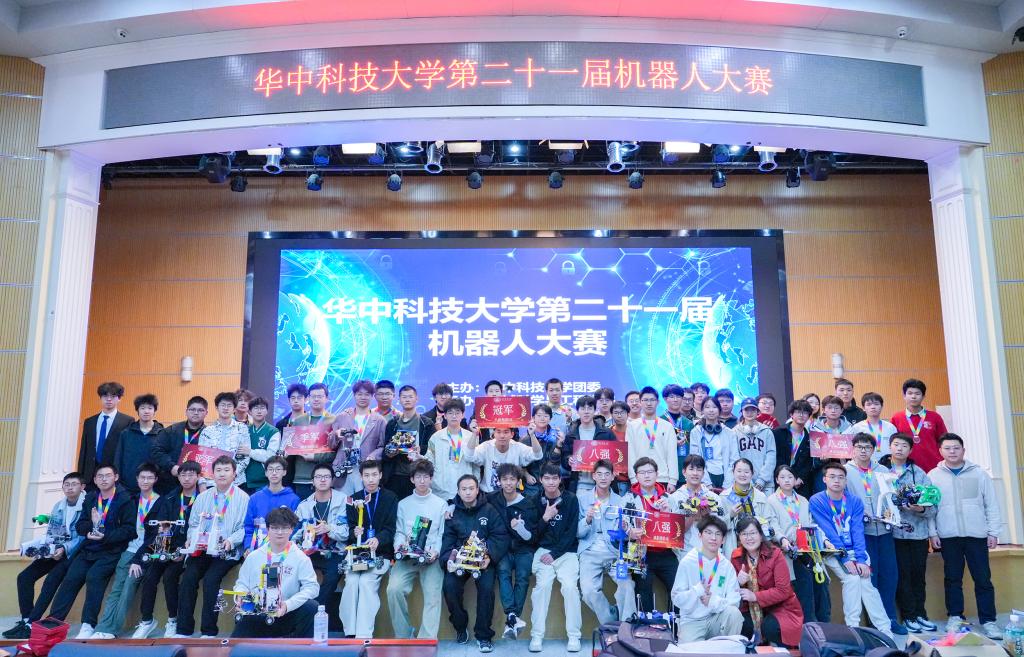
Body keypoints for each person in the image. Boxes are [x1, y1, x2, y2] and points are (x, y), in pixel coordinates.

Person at [929, 433, 1003, 639]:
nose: (952, 451)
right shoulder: (933, 476)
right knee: (952, 579)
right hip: (948, 536)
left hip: (976, 535)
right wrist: (932, 533)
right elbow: (930, 508)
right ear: (940, 451)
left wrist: (993, 531)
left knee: (983, 579)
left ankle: (989, 621)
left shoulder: (979, 474)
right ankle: (955, 617)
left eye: (956, 448)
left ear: (963, 450)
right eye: (947, 448)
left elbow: (991, 504)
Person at [48, 464, 136, 639]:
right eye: (100, 476)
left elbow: (129, 530)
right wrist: (90, 529)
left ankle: (88, 624)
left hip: (111, 550)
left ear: (116, 477)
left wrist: (104, 535)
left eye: (107, 475)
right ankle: (53, 623)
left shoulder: (125, 500)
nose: (104, 479)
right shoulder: (91, 498)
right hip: (89, 548)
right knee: (71, 578)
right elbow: (81, 524)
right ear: (94, 480)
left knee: (94, 577)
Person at [809, 462, 894, 639]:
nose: (836, 481)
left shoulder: (854, 501)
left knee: (867, 584)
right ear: (824, 479)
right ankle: (853, 629)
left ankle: (885, 631)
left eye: (841, 477)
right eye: (832, 477)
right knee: (852, 579)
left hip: (855, 550)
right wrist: (845, 558)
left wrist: (861, 559)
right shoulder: (817, 500)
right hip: (832, 551)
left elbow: (857, 531)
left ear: (846, 481)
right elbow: (829, 532)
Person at [174, 456, 250, 638]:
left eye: (226, 470)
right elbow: (193, 523)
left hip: (227, 551)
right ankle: (183, 630)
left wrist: (231, 541)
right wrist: (192, 539)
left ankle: (209, 631)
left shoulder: (243, 498)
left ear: (234, 474)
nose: (222, 474)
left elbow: (245, 527)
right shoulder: (203, 497)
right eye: (218, 470)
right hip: (203, 549)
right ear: (212, 474)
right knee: (188, 578)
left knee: (211, 580)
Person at [4, 472, 86, 640]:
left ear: (82, 487)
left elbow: (82, 537)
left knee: (50, 581)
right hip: (56, 551)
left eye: (74, 484)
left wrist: (63, 548)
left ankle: (32, 623)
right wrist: (41, 548)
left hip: (73, 554)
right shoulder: (59, 505)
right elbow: (53, 532)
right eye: (66, 485)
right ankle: (26, 619)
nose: (70, 488)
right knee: (24, 577)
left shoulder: (87, 505)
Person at [90, 463, 161, 639]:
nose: (145, 481)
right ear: (137, 479)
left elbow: (155, 537)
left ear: (155, 480)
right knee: (117, 588)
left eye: (149, 478)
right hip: (129, 549)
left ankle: (112, 630)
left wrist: (138, 559)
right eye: (142, 477)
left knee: (129, 585)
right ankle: (102, 627)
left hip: (147, 551)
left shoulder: (162, 502)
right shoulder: (132, 500)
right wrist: (97, 523)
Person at [131, 460, 201, 639]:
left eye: (191, 474)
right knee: (149, 576)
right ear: (178, 477)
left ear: (198, 476)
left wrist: (183, 551)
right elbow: (158, 529)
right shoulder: (169, 498)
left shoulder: (203, 498)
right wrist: (143, 557)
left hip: (188, 549)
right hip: (165, 546)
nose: (186, 478)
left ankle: (172, 620)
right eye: (183, 475)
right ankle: (147, 620)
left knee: (170, 577)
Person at [844, 433, 905, 635]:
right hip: (862, 533)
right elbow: (843, 500)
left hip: (885, 530)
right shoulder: (846, 472)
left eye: (867, 447)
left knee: (889, 576)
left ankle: (890, 618)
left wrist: (891, 511)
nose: (863, 451)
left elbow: (892, 496)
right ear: (853, 449)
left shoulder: (883, 470)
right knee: (870, 577)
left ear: (874, 449)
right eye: (859, 447)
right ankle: (874, 623)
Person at [442, 474, 509, 653]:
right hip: (460, 561)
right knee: (449, 586)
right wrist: (448, 559)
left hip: (482, 561)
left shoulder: (489, 510)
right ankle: (460, 626)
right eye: (464, 489)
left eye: (471, 488)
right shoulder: (453, 513)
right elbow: (447, 539)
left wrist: (489, 556)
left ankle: (484, 636)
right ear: (458, 491)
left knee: (486, 589)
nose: (468, 492)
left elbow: (500, 536)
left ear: (478, 490)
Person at [231, 507, 321, 638]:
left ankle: (301, 647)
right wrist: (240, 596)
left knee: (312, 607)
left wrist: (288, 605)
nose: (279, 532)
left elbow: (312, 588)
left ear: (291, 529)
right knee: (239, 633)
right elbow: (242, 584)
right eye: (275, 528)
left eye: (284, 528)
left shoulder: (301, 558)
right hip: (257, 613)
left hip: (285, 613)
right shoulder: (254, 556)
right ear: (267, 529)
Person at [879, 433, 938, 633]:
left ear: (910, 450)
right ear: (889, 447)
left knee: (918, 576)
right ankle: (908, 616)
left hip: (918, 534)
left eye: (904, 446)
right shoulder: (880, 471)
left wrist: (920, 509)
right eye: (896, 444)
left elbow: (933, 506)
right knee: (902, 576)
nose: (899, 449)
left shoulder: (919, 473)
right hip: (893, 534)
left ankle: (921, 614)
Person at [387, 460, 447, 639]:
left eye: (425, 477)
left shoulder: (440, 504)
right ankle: (403, 635)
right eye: (418, 477)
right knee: (394, 589)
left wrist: (436, 552)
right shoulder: (403, 504)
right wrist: (399, 546)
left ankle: (426, 640)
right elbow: (399, 532)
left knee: (433, 595)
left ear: (431, 479)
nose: (422, 481)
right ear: (412, 479)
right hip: (407, 557)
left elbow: (441, 534)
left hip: (431, 558)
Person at [766, 464, 830, 623]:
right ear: (777, 480)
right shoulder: (771, 500)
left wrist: (824, 540)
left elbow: (812, 523)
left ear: (795, 480)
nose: (787, 480)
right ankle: (809, 624)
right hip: (788, 551)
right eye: (782, 477)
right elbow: (772, 525)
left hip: (808, 549)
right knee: (804, 588)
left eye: (790, 477)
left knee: (821, 586)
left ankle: (823, 623)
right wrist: (782, 539)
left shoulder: (803, 500)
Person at [529, 464, 582, 653]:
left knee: (570, 588)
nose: (551, 482)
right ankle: (537, 635)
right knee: (542, 587)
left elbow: (571, 533)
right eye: (547, 478)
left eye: (554, 478)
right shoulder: (534, 500)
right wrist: (545, 518)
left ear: (560, 480)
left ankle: (574, 636)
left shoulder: (571, 500)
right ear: (541, 480)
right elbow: (532, 536)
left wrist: (555, 554)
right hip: (543, 551)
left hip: (566, 552)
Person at [341, 459, 397, 638]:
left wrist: (378, 539)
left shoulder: (390, 498)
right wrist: (353, 531)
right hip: (356, 554)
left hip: (380, 553)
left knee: (366, 583)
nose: (371, 479)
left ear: (380, 475)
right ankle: (350, 632)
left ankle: (364, 635)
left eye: (374, 475)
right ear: (361, 477)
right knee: (351, 583)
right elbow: (349, 528)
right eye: (367, 475)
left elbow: (391, 529)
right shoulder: (353, 499)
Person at [576, 459, 636, 625]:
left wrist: (625, 529)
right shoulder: (582, 499)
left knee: (627, 585)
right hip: (589, 552)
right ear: (593, 476)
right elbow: (578, 533)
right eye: (599, 474)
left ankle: (627, 628)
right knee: (588, 591)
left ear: (613, 477)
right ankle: (611, 620)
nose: (603, 478)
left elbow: (627, 534)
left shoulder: (621, 501)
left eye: (607, 474)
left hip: (615, 553)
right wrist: (587, 519)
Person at [731, 517, 803, 647]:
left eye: (753, 533)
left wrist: (755, 596)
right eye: (744, 534)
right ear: (739, 537)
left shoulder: (775, 554)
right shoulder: (736, 556)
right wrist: (738, 582)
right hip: (750, 608)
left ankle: (786, 650)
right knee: (742, 625)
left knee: (770, 627)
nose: (749, 538)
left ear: (760, 534)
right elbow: (731, 592)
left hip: (780, 607)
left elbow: (783, 591)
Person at [670, 516, 743, 642]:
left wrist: (713, 601)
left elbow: (734, 601)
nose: (713, 538)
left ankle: (726, 649)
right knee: (689, 650)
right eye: (708, 533)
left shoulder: (726, 566)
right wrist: (697, 591)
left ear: (723, 540)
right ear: (700, 535)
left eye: (718, 534)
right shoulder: (688, 562)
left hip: (717, 618)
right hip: (692, 621)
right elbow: (676, 598)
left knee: (734, 614)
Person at [488, 464, 539, 639]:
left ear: (518, 481)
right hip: (503, 548)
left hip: (524, 548)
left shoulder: (528, 503)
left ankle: (512, 617)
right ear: (499, 481)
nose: (508, 483)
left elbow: (532, 537)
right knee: (503, 572)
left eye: (512, 479)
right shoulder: (492, 498)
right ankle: (512, 615)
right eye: (505, 479)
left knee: (523, 577)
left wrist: (520, 529)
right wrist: (450, 508)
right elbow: (469, 497)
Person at [294, 463, 349, 617]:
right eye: (318, 477)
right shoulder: (304, 505)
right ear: (312, 481)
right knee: (295, 570)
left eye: (326, 477)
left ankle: (315, 611)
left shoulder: (343, 500)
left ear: (332, 480)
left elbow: (346, 533)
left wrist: (329, 528)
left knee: (332, 575)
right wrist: (306, 532)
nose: (323, 480)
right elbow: (295, 534)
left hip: (336, 551)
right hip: (311, 551)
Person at [628, 457, 680, 611]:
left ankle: (675, 623)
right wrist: (630, 532)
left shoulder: (669, 498)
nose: (646, 475)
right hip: (642, 553)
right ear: (636, 476)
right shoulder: (629, 498)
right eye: (642, 472)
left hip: (666, 552)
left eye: (650, 471)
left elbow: (678, 529)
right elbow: (622, 525)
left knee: (678, 587)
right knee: (643, 589)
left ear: (657, 474)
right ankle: (647, 624)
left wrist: (667, 512)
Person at [331, 380, 387, 495]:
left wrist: (373, 456)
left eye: (367, 394)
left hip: (366, 470)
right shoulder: (342, 417)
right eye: (359, 394)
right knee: (343, 502)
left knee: (364, 502)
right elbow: (331, 444)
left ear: (372, 396)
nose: (363, 397)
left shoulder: (379, 420)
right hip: (343, 468)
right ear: (354, 395)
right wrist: (336, 435)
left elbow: (383, 446)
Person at [382, 384, 435, 500]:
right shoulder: (392, 423)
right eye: (404, 397)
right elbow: (385, 451)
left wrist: (420, 449)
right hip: (395, 475)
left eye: (410, 397)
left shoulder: (426, 423)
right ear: (399, 399)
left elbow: (433, 450)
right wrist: (392, 450)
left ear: (417, 399)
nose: (407, 400)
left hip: (418, 475)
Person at [284, 382, 335, 499]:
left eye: (320, 396)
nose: (316, 399)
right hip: (301, 478)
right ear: (308, 399)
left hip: (324, 478)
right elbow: (288, 448)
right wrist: (287, 451)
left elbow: (335, 453)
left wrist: (314, 457)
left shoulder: (333, 420)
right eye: (313, 396)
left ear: (326, 398)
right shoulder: (298, 421)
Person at [78, 382, 133, 488]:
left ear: (119, 399)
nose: (109, 399)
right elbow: (84, 450)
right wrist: (81, 477)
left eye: (113, 396)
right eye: (105, 396)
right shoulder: (89, 421)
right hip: (90, 475)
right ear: (100, 398)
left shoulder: (127, 421)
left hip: (113, 474)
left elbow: (127, 451)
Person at [668, 454, 728, 550]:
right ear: (684, 472)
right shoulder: (675, 498)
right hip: (685, 551)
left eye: (699, 469)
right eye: (691, 469)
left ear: (703, 473)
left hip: (710, 550)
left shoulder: (713, 498)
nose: (695, 473)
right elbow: (675, 532)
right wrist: (692, 516)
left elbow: (720, 529)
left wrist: (707, 516)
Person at [426, 398, 481, 501]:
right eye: (450, 413)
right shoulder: (436, 437)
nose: (454, 416)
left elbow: (476, 466)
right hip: (440, 491)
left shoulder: (471, 436)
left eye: (457, 413)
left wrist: (475, 484)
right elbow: (429, 462)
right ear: (445, 415)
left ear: (463, 415)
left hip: (465, 491)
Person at [150, 396, 207, 495]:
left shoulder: (209, 434)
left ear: (206, 413)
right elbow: (156, 451)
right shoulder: (172, 430)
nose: (196, 413)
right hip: (170, 483)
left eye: (200, 410)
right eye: (192, 409)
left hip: (197, 486)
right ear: (186, 411)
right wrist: (171, 466)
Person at [891, 378, 949, 474]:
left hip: (933, 467)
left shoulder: (935, 417)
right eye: (910, 393)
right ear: (904, 396)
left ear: (923, 396)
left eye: (917, 393)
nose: (913, 396)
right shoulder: (897, 418)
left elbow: (944, 441)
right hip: (906, 468)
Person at [721, 458, 777, 556]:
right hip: (733, 547)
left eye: (746, 472)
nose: (742, 475)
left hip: (758, 548)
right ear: (733, 472)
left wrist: (760, 522)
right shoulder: (724, 497)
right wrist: (730, 516)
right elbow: (717, 527)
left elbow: (770, 522)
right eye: (739, 471)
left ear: (752, 473)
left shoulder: (761, 496)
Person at [243, 456, 300, 551]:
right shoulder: (255, 498)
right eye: (270, 469)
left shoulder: (293, 499)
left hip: (283, 550)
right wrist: (248, 547)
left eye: (278, 469)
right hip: (258, 548)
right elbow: (249, 526)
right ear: (266, 473)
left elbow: (295, 528)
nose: (274, 473)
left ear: (284, 472)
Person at [626, 387, 678, 491]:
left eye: (652, 400)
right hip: (640, 478)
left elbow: (671, 454)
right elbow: (630, 454)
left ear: (658, 402)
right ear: (640, 402)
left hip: (662, 477)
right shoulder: (632, 426)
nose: (649, 403)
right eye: (645, 400)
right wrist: (633, 479)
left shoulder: (667, 426)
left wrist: (673, 480)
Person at [467, 425, 542, 494]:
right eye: (498, 432)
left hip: (513, 493)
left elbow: (538, 455)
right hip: (489, 493)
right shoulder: (486, 447)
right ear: (494, 433)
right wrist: (474, 433)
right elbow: (469, 457)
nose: (502, 436)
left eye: (506, 432)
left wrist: (532, 435)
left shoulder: (518, 447)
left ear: (512, 434)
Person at [198, 392, 250, 488]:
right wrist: (202, 483)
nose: (226, 408)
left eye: (229, 405)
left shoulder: (242, 428)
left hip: (236, 483)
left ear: (234, 409)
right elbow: (201, 460)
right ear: (217, 407)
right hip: (211, 483)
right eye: (223, 405)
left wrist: (232, 475)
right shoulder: (207, 431)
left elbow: (245, 457)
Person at [562, 395, 614, 491]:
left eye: (590, 408)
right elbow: (565, 457)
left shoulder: (606, 433)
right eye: (582, 408)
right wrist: (569, 460)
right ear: (577, 411)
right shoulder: (571, 435)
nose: (586, 412)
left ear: (595, 410)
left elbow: (616, 456)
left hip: (603, 486)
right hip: (579, 486)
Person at [113, 395, 164, 494]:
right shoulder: (126, 433)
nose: (146, 411)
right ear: (137, 410)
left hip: (154, 488)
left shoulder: (163, 434)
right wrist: (117, 483)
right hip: (128, 487)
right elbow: (118, 459)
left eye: (150, 408)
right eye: (142, 408)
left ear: (155, 411)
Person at [688, 397, 739, 491]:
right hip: (704, 477)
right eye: (707, 407)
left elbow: (734, 459)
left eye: (714, 407)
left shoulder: (729, 432)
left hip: (726, 477)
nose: (711, 410)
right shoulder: (696, 432)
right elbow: (695, 459)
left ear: (719, 410)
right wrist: (707, 484)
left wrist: (727, 484)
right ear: (702, 410)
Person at [772, 399, 818, 500]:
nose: (801, 415)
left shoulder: (810, 437)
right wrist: (784, 476)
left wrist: (800, 478)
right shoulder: (779, 432)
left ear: (809, 416)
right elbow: (775, 456)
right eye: (798, 412)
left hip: (799, 483)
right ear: (791, 414)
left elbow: (808, 462)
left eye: (805, 412)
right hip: (779, 478)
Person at [735, 398, 777, 493]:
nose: (749, 413)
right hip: (743, 482)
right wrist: (745, 479)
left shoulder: (767, 431)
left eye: (753, 410)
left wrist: (762, 480)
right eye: (746, 410)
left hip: (766, 484)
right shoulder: (734, 432)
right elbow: (735, 457)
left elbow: (771, 457)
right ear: (741, 412)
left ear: (758, 411)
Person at [520, 403, 563, 493]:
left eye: (546, 416)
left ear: (550, 418)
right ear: (533, 418)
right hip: (532, 482)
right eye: (539, 415)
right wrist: (526, 475)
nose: (542, 418)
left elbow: (555, 462)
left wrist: (558, 446)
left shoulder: (555, 437)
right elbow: (520, 462)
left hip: (551, 480)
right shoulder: (525, 439)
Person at [244, 397, 282, 494]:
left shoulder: (273, 431)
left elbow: (270, 456)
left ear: (267, 411)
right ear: (250, 412)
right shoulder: (245, 431)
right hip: (244, 481)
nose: (259, 411)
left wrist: (250, 452)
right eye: (256, 408)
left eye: (262, 408)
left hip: (264, 481)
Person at [846, 392, 897, 465]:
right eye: (869, 404)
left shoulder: (890, 427)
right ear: (863, 408)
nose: (873, 407)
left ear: (882, 406)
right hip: (864, 465)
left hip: (888, 465)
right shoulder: (856, 428)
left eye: (876, 404)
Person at [661, 384, 694, 489]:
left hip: (684, 473)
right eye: (671, 397)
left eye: (678, 396)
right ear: (665, 399)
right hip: (664, 474)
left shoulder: (688, 424)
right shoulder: (659, 422)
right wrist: (671, 445)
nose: (675, 400)